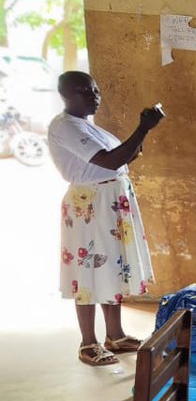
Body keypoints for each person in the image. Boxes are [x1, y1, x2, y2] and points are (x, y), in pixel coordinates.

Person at [47, 71, 163, 366]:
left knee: (113, 266)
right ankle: (88, 343)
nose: (94, 97)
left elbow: (125, 156)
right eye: (85, 92)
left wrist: (136, 141)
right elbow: (112, 160)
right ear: (66, 95)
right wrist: (143, 128)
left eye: (95, 91)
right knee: (88, 271)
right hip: (90, 205)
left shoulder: (89, 127)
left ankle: (115, 335)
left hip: (111, 201)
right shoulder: (65, 127)